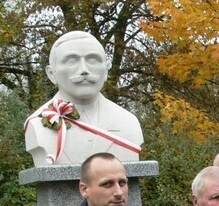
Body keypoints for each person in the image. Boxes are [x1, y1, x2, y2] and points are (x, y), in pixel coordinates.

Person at [25, 31, 143, 166]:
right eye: (71, 61)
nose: (84, 70)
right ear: (52, 74)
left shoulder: (128, 123)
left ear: (106, 71)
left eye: (93, 60)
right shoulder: (37, 123)